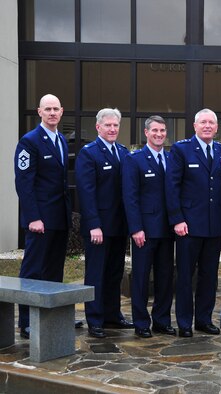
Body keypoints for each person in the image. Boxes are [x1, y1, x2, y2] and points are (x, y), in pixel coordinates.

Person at [166, 108, 221, 338]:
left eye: (211, 123)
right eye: (203, 122)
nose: (207, 126)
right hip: (188, 227)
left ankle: (204, 319)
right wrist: (177, 219)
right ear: (194, 126)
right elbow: (172, 187)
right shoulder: (181, 149)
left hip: (214, 226)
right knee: (185, 275)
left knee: (209, 276)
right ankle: (185, 322)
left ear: (216, 127)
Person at [14, 94, 73, 339]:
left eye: (55, 109)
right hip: (39, 221)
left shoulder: (61, 139)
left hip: (59, 218)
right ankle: (27, 321)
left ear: (61, 112)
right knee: (33, 270)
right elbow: (24, 184)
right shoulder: (29, 141)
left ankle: (51, 317)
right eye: (47, 109)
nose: (52, 113)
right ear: (39, 112)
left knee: (53, 271)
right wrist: (33, 218)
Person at [75, 108, 134, 338]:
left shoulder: (122, 152)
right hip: (99, 227)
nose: (112, 129)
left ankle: (112, 314)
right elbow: (86, 193)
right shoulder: (89, 153)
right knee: (96, 274)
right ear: (98, 127)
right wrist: (93, 225)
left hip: (119, 226)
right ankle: (95, 318)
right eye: (108, 125)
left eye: (116, 125)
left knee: (114, 273)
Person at [122, 116, 175, 338]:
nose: (159, 134)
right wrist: (136, 228)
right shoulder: (134, 159)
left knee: (165, 278)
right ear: (146, 133)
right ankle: (141, 322)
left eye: (162, 130)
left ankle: (161, 321)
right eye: (155, 130)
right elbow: (130, 196)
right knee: (142, 279)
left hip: (167, 229)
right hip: (144, 230)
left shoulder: (171, 158)